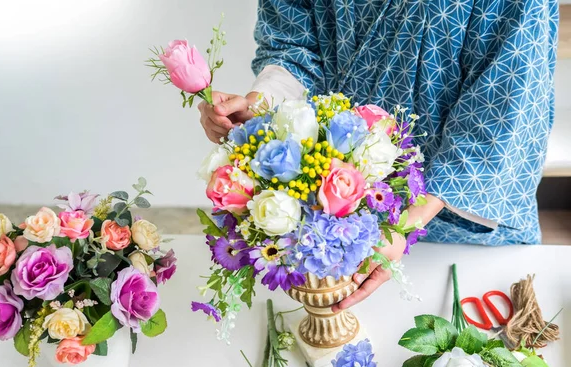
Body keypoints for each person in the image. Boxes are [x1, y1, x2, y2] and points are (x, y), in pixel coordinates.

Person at [197, 0, 559, 311]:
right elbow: (294, 44)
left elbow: (504, 110)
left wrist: (401, 227)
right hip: (333, 211)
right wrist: (259, 106)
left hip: (465, 222)